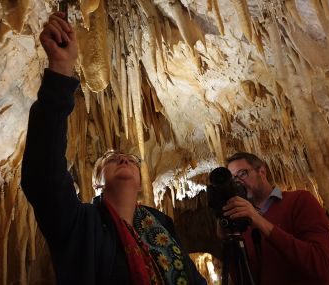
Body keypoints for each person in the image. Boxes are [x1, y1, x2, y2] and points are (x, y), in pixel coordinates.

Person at [21, 12, 207, 285]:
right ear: (97, 184)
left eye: (131, 159)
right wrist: (60, 72)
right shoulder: (79, 225)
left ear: (143, 185)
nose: (122, 158)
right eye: (110, 160)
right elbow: (43, 176)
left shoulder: (162, 226)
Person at [218, 152, 329, 285]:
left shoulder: (300, 201)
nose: (238, 183)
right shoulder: (242, 221)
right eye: (233, 180)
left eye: (242, 174)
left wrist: (260, 221)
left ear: (262, 171)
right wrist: (228, 239)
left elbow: (323, 267)